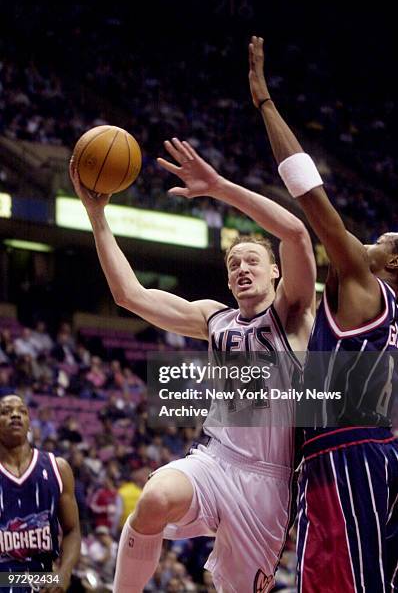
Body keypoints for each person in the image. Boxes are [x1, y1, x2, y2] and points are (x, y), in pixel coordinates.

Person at [70, 133, 316, 592]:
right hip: (215, 461)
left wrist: (219, 186)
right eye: (233, 264)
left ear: (275, 271)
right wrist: (97, 214)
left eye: (252, 262)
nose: (242, 269)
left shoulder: (293, 312)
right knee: (155, 497)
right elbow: (130, 295)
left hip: (268, 484)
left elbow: (297, 233)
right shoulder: (214, 318)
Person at [248, 35, 398, 592]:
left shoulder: (362, 282)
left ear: (394, 261)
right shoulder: (378, 307)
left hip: (349, 452)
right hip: (359, 451)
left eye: (385, 237)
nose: (374, 237)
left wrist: (264, 101)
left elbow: (310, 195)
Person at [0, 394, 81, 592]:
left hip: (44, 580)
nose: (15, 416)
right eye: (6, 412)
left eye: (22, 412)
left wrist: (64, 573)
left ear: (29, 424)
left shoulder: (57, 468)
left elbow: (72, 530)